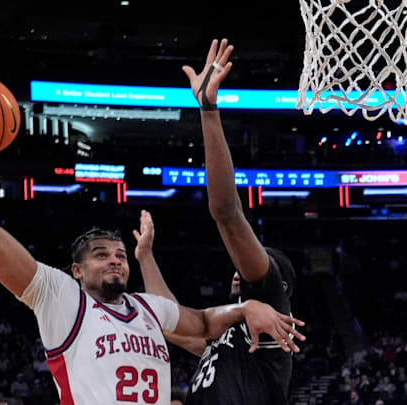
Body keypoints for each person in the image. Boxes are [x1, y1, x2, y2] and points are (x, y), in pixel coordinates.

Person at [0, 78, 304, 405]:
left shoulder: (148, 309)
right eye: (101, 255)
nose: (115, 260)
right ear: (76, 270)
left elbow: (204, 322)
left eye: (120, 255)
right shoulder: (60, 297)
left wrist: (243, 308)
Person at [137, 38, 303, 405]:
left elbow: (227, 214)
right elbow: (171, 321)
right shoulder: (230, 338)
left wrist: (209, 110)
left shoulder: (269, 303)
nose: (238, 270)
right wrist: (145, 256)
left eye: (253, 264)